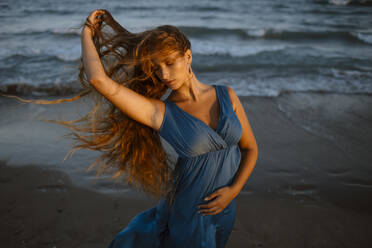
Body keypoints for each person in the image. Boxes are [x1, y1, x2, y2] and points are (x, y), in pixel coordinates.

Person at [1, 8, 257, 248]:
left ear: (187, 56)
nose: (164, 74)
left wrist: (233, 191)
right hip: (190, 211)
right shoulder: (161, 112)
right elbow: (100, 81)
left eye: (169, 63)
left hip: (225, 209)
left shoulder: (227, 95)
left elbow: (250, 149)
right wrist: (87, 32)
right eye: (156, 68)